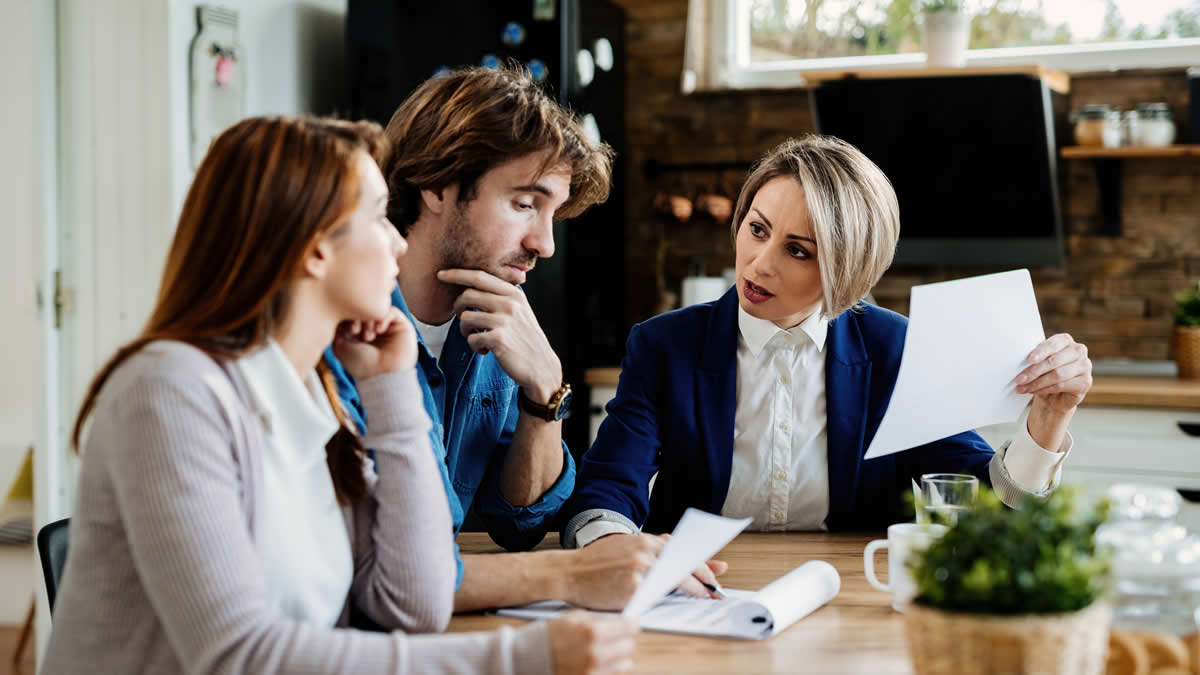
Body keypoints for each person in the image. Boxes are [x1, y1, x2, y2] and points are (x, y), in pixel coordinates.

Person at [43, 115, 636, 675]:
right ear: (316, 247)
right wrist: (516, 658)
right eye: (379, 217)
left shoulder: (315, 388)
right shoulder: (171, 391)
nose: (400, 245)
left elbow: (414, 600)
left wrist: (392, 387)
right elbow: (238, 657)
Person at [561, 135, 1092, 550]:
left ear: (848, 271)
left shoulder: (894, 350)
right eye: (757, 228)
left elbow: (987, 497)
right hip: (695, 589)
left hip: (849, 593)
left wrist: (1048, 421)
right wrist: (616, 551)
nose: (759, 263)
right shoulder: (663, 345)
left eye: (798, 251)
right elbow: (606, 490)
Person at [326, 66, 706, 612]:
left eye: (553, 214)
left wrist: (544, 392)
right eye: (526, 204)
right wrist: (577, 571)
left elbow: (519, 521)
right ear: (438, 184)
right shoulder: (340, 334)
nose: (545, 244)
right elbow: (374, 570)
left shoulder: (496, 327)